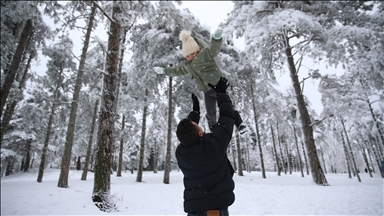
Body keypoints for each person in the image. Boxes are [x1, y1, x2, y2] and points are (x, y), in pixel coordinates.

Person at [153, 29, 247, 134]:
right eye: (187, 56)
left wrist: (216, 39)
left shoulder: (205, 54)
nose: (190, 57)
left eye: (192, 54)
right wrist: (165, 71)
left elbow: (214, 49)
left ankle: (240, 124)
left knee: (228, 106)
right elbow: (177, 70)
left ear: (197, 50)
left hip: (218, 86)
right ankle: (214, 131)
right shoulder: (188, 66)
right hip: (207, 91)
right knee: (210, 113)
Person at [175, 77, 235, 216]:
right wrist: (222, 94)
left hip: (194, 211)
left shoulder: (181, 153)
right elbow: (227, 118)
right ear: (201, 133)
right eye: (196, 124)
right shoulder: (212, 146)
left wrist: (195, 113)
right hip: (213, 213)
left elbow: (187, 135)